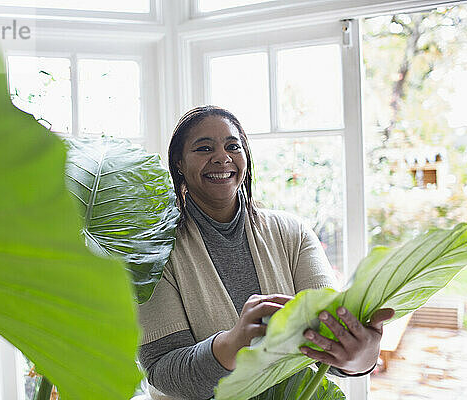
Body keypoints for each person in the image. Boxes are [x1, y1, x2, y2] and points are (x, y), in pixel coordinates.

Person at [137, 106, 394, 400]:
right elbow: (164, 372)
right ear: (179, 163)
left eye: (233, 146)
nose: (222, 157)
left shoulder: (293, 234)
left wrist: (361, 355)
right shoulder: (154, 251)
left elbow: (331, 341)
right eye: (204, 147)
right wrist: (233, 344)